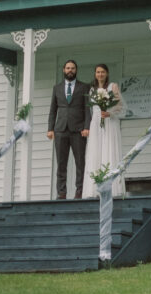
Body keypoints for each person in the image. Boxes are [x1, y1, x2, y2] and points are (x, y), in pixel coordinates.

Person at [47, 59, 91, 199]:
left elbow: (87, 109)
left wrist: (86, 127)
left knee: (80, 162)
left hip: (78, 130)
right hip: (60, 130)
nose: (70, 70)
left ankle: (80, 191)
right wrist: (50, 128)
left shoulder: (84, 87)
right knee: (61, 163)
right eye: (67, 68)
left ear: (76, 70)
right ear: (63, 70)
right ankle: (61, 192)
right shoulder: (57, 88)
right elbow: (53, 110)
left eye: (72, 68)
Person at [82, 64, 124, 199]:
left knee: (108, 149)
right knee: (95, 151)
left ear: (107, 73)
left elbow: (119, 106)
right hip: (96, 122)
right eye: (98, 72)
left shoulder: (113, 86)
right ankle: (93, 189)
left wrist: (110, 113)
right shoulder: (92, 89)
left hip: (109, 122)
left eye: (103, 72)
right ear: (95, 74)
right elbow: (91, 109)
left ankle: (113, 188)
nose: (100, 74)